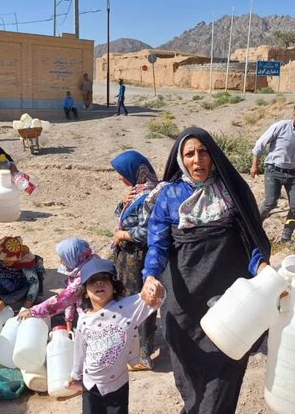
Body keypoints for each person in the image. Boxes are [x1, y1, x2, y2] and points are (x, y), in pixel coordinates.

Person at [141, 127, 271, 414]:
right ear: (180, 159)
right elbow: (157, 246)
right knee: (190, 372)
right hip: (184, 300)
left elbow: (249, 239)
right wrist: (150, 276)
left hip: (229, 299)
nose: (197, 159)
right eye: (190, 154)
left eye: (203, 151)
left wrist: (260, 266)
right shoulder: (169, 197)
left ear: (213, 156)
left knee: (226, 368)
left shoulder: (232, 192)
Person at [68, 258, 164, 414]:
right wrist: (75, 374)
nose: (99, 283)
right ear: (85, 292)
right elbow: (80, 350)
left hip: (117, 382)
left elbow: (157, 299)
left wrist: (155, 287)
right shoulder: (84, 321)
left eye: (104, 279)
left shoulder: (128, 308)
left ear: (114, 287)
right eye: (93, 281)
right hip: (91, 384)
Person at [110, 151, 158, 370]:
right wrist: (122, 203)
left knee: (141, 302)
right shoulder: (138, 191)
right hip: (127, 257)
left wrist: (123, 235)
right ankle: (136, 344)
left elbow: (150, 230)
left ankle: (143, 355)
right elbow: (123, 216)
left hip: (139, 258)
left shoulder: (151, 195)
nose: (119, 178)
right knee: (130, 300)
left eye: (121, 173)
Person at [250, 102, 295, 241]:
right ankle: (253, 228)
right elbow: (260, 144)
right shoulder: (281, 126)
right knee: (271, 202)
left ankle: (286, 237)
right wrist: (254, 165)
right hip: (273, 170)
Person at [16, 238, 98, 330]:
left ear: (73, 257)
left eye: (63, 259)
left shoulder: (84, 277)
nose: (61, 262)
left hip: (96, 319)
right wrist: (69, 323)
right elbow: (70, 298)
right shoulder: (88, 262)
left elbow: (62, 300)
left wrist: (32, 312)